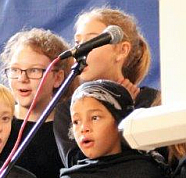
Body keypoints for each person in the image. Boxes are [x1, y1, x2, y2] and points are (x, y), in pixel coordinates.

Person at [53, 7, 161, 167]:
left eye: (91, 41)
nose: (80, 50)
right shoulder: (67, 110)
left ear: (121, 50)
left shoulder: (152, 102)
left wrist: (124, 112)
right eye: (77, 42)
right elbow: (77, 164)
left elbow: (156, 159)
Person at [0, 28, 73, 178]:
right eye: (15, 70)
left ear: (58, 78)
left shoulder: (69, 130)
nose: (22, 79)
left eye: (34, 71)